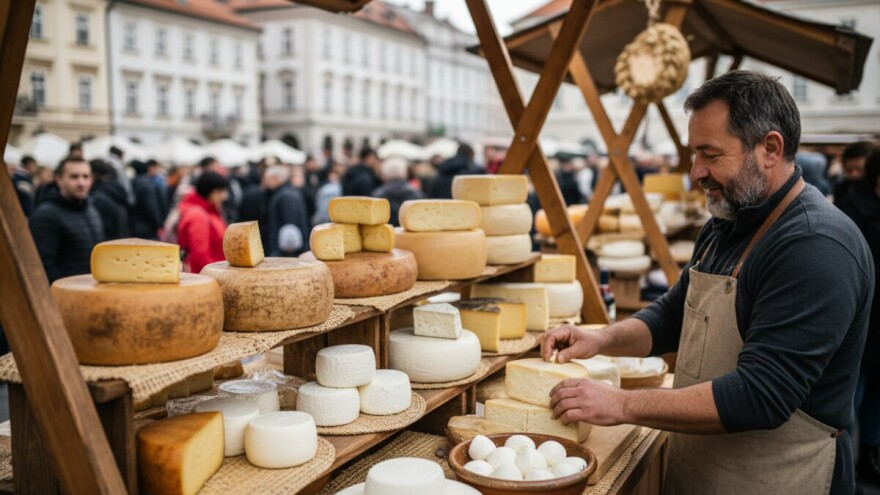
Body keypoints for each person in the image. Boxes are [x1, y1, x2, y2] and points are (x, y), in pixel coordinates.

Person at [541, 71, 872, 495]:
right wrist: (600, 339)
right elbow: (673, 315)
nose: (696, 172)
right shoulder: (728, 222)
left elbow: (761, 395)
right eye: (693, 154)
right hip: (714, 472)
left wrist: (619, 404)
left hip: (782, 479)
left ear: (770, 148)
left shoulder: (815, 246)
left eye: (710, 154)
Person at [836, 146, 880, 486]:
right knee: (852, 400)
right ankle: (845, 475)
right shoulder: (851, 212)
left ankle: (869, 457)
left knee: (875, 399)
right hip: (863, 324)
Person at [29, 157, 104, 282]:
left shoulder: (91, 209)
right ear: (59, 180)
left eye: (86, 177)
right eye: (74, 177)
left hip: (90, 290)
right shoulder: (46, 215)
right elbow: (42, 266)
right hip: (64, 294)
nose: (81, 183)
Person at [177, 172, 228, 273]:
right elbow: (200, 257)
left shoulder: (209, 210)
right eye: (219, 192)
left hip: (211, 274)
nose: (224, 196)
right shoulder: (198, 215)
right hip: (206, 277)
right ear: (208, 191)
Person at [264, 165, 310, 256]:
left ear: (275, 178)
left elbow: (290, 225)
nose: (267, 183)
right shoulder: (288, 192)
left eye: (268, 179)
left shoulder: (285, 195)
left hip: (288, 252)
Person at [372, 157, 424, 226]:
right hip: (410, 235)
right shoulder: (417, 194)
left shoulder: (376, 196)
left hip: (385, 235)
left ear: (384, 175)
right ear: (405, 173)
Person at [89, 159, 130, 240]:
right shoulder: (116, 188)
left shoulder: (97, 197)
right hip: (120, 240)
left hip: (107, 244)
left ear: (94, 175)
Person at [130, 160, 165, 240]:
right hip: (146, 227)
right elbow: (152, 207)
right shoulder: (147, 185)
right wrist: (159, 225)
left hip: (136, 225)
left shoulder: (133, 182)